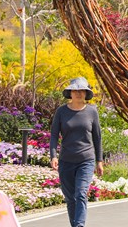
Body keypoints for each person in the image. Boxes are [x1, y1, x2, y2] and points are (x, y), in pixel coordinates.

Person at [50, 77, 104, 227]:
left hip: (86, 160)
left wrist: (99, 161)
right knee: (70, 198)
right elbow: (54, 135)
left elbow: (97, 137)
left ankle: (79, 225)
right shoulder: (61, 112)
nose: (79, 93)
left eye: (82, 91)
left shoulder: (92, 111)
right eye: (75, 90)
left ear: (86, 93)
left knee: (80, 194)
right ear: (70, 93)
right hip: (66, 161)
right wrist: (53, 155)